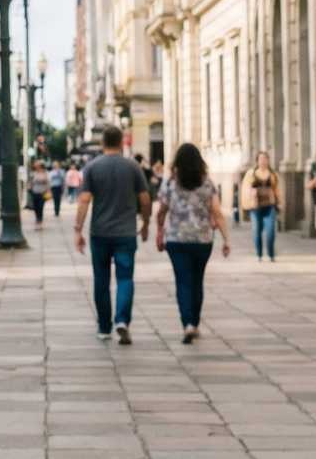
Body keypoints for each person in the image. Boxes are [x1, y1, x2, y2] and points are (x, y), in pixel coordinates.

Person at [72, 126, 152, 345]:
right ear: (120, 142)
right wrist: (145, 223)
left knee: (101, 280)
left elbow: (84, 200)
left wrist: (78, 229)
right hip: (126, 233)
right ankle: (122, 320)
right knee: (125, 278)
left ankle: (104, 327)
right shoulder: (133, 167)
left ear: (102, 143)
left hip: (100, 233)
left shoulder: (92, 168)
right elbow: (145, 199)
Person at [153, 143, 230, 344]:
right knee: (197, 281)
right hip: (202, 240)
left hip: (177, 240)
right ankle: (194, 323)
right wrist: (226, 239)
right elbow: (217, 213)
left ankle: (187, 323)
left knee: (183, 281)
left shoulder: (170, 183)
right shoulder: (207, 184)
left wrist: (160, 231)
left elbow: (161, 211)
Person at [240, 150, 281, 261]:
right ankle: (259, 254)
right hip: (255, 206)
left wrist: (280, 203)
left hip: (269, 205)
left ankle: (271, 254)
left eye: (265, 159)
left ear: (268, 160)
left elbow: (277, 189)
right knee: (257, 230)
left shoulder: (272, 174)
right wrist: (249, 196)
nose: (263, 161)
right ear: (257, 161)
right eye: (261, 159)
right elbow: (245, 188)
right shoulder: (251, 173)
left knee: (271, 231)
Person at [27, 159, 50, 225]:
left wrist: (48, 190)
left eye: (38, 165)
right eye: (35, 165)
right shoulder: (33, 173)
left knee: (40, 206)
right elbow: (30, 182)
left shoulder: (45, 173)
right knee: (36, 207)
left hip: (43, 192)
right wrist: (29, 186)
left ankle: (40, 219)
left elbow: (48, 182)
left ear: (40, 166)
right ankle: (37, 218)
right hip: (34, 192)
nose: (36, 166)